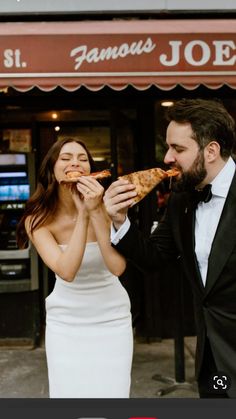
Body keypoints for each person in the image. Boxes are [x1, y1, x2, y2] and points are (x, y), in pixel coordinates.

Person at [103, 98, 236, 398]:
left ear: (211, 150)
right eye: (168, 147)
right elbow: (154, 258)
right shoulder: (181, 198)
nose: (167, 158)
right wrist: (119, 220)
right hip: (212, 365)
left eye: (178, 148)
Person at [16, 138, 133, 398]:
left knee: (113, 394)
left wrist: (97, 212)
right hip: (66, 321)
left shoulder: (106, 206)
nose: (75, 164)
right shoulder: (37, 219)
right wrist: (83, 214)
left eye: (82, 159)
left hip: (112, 318)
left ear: (91, 170)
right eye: (66, 158)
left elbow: (117, 267)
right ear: (52, 168)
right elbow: (66, 271)